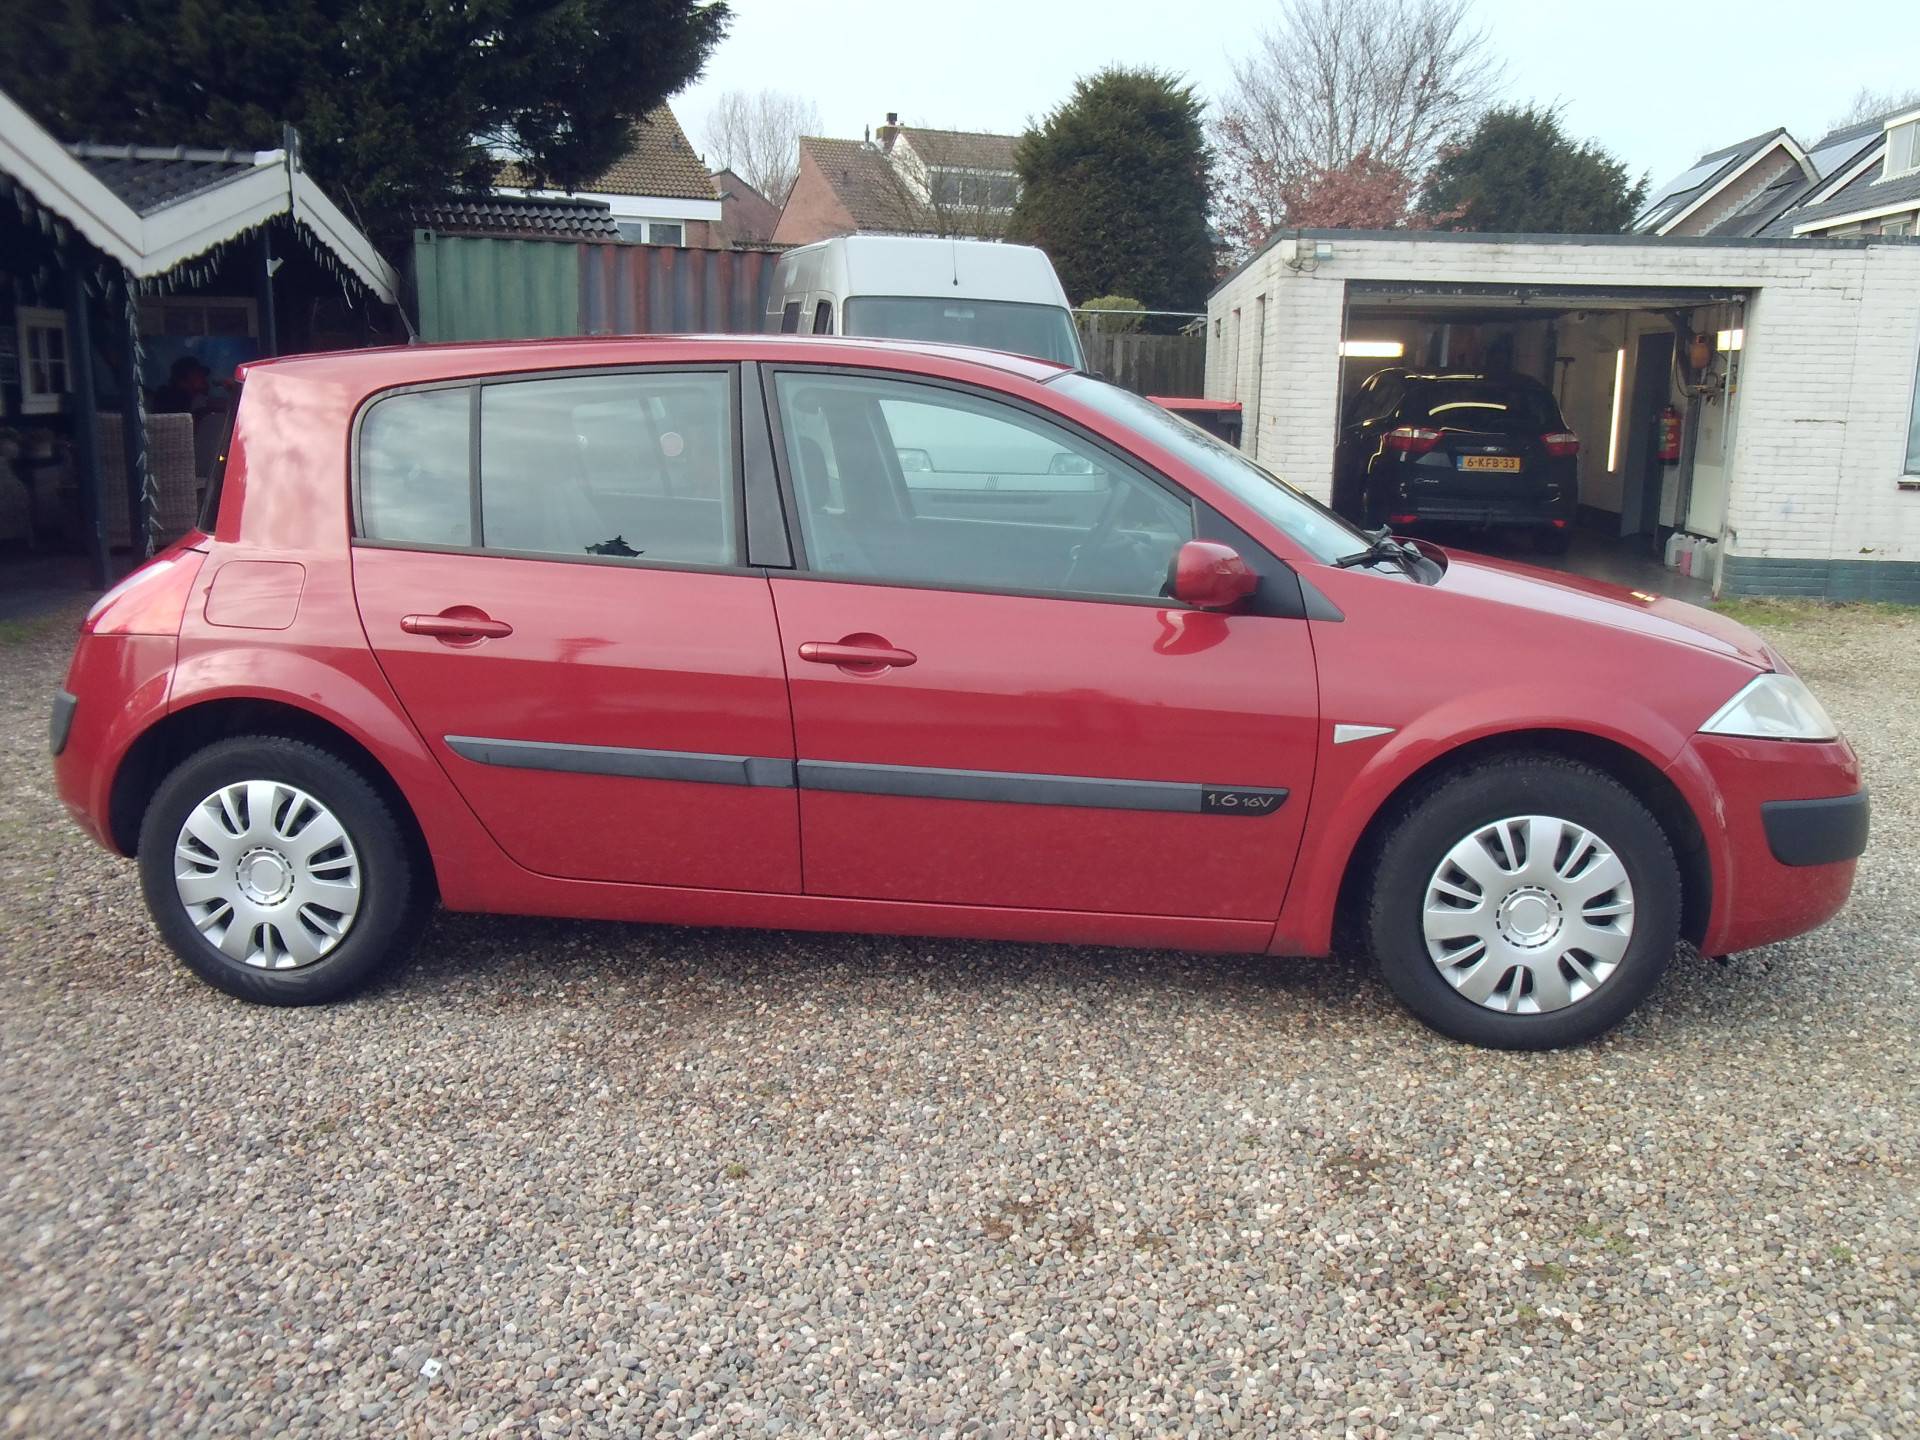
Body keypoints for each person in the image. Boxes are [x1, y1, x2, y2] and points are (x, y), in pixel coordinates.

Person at [153, 357, 223, 416]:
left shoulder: (196, 402)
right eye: (197, 373)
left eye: (203, 375)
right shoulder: (168, 401)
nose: (203, 378)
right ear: (182, 380)